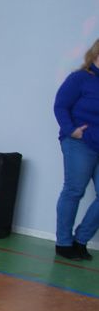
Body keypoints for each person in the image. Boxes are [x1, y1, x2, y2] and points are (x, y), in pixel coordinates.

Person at [52, 39, 99, 261]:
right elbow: (60, 105)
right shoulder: (80, 78)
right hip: (80, 143)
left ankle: (80, 241)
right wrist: (72, 131)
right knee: (74, 190)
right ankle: (63, 243)